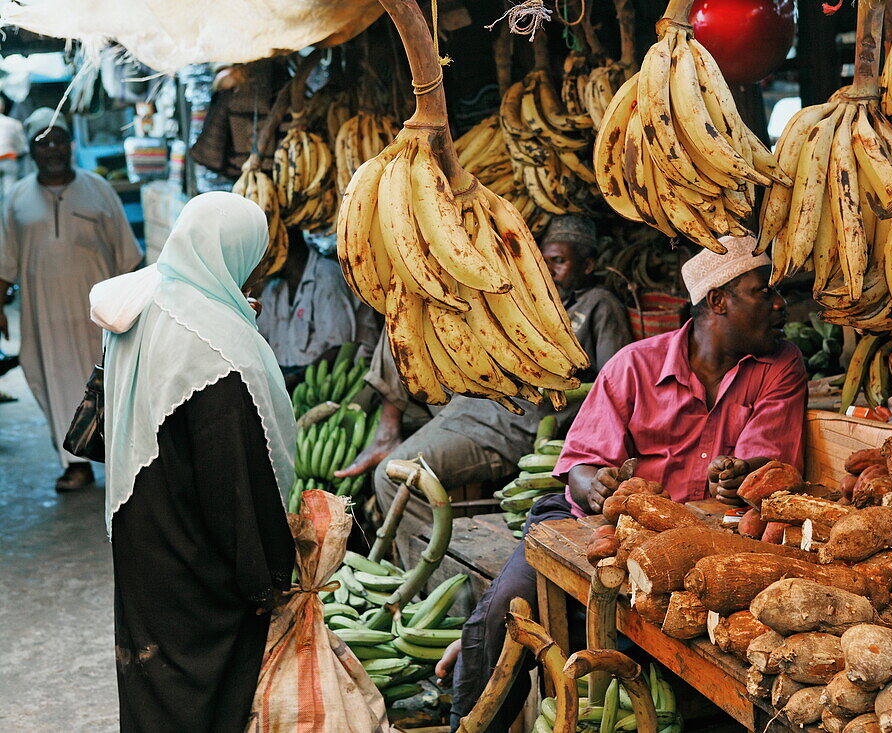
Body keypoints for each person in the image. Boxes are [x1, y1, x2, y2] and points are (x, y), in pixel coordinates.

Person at [447, 236, 809, 732]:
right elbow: (579, 466)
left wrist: (740, 480)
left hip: (705, 545)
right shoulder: (634, 366)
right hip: (595, 528)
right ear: (718, 301)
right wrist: (594, 485)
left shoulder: (780, 366)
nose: (779, 303)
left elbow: (765, 466)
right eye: (762, 292)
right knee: (502, 614)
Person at [90, 192, 296, 732]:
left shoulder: (152, 296)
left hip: (143, 524)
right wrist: (267, 578)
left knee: (153, 672)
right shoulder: (216, 352)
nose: (251, 280)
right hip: (191, 543)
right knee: (200, 686)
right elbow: (233, 487)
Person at [336, 215, 633, 546]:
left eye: (559, 262)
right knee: (407, 309)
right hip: (470, 400)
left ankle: (437, 571)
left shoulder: (599, 305)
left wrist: (555, 388)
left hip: (507, 426)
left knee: (391, 476)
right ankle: (386, 431)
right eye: (543, 261)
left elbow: (613, 388)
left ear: (588, 265)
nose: (547, 270)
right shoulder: (524, 298)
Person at [0, 108, 143, 491]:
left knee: (113, 381)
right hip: (42, 316)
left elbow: (130, 255)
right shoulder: (15, 198)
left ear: (70, 143)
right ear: (30, 150)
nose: (52, 149)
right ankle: (75, 463)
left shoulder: (99, 190)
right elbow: (5, 261)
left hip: (100, 314)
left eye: (58, 139)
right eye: (42, 142)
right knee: (53, 380)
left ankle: (124, 462)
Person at [255, 227, 380, 385]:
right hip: (291, 380)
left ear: (287, 248)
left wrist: (295, 380)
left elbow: (340, 349)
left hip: (335, 380)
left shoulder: (327, 277)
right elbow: (259, 337)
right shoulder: (274, 289)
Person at [0, 94, 25, 199]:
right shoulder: (13, 123)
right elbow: (22, 146)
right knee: (9, 194)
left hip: (8, 160)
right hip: (9, 159)